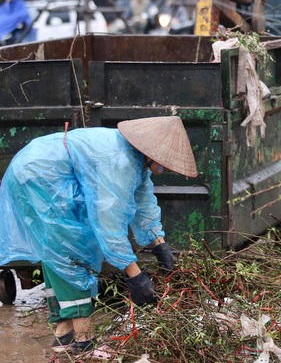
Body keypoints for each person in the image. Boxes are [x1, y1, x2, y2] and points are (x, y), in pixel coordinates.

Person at [0, 116, 197, 355]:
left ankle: (64, 335)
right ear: (153, 153)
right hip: (39, 177)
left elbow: (144, 205)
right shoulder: (119, 162)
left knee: (60, 251)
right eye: (165, 165)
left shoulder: (136, 162)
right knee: (72, 252)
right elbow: (110, 224)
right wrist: (135, 276)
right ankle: (84, 341)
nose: (165, 170)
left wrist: (160, 246)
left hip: (37, 170)